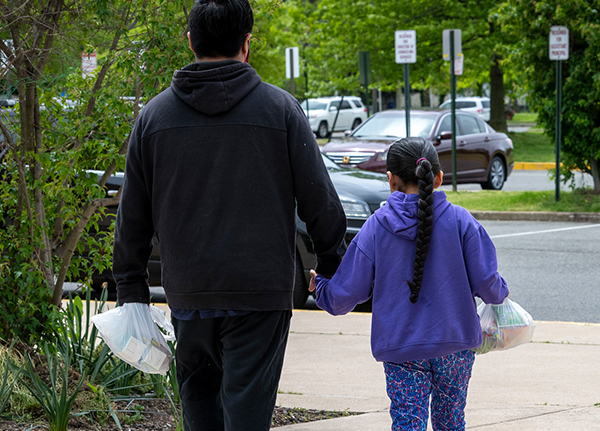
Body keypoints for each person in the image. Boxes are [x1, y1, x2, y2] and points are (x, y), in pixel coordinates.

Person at [112, 0, 347, 429]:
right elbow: (319, 200)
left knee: (199, 410)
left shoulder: (153, 118)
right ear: (247, 44)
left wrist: (132, 290)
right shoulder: (280, 111)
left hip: (189, 291)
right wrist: (334, 265)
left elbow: (133, 216)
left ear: (190, 42)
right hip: (260, 293)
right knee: (247, 414)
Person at [309, 137, 509, 430]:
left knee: (408, 423)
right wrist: (502, 290)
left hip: (401, 346)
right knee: (451, 421)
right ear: (438, 178)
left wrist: (322, 288)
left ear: (390, 181)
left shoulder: (376, 227)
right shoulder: (461, 221)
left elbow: (345, 295)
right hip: (455, 344)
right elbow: (490, 286)